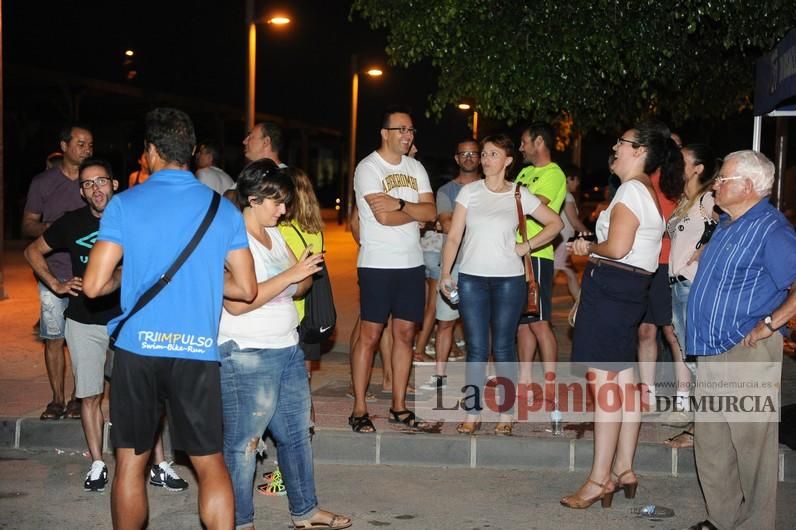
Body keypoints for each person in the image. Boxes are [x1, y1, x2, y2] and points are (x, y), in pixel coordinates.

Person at [83, 107, 257, 530]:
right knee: (210, 463)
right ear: (193, 152)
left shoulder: (124, 205)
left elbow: (92, 286)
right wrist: (204, 278)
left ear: (150, 152)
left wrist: (131, 275)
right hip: (196, 352)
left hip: (137, 351)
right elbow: (247, 288)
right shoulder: (223, 211)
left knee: (130, 463)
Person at [219, 160, 351, 530]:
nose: (284, 210)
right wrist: (291, 276)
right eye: (277, 202)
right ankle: (240, 521)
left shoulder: (275, 233)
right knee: (244, 446)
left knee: (296, 437)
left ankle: (305, 511)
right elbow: (236, 302)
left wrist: (295, 275)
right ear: (254, 199)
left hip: (287, 347)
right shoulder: (232, 238)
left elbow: (303, 283)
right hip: (247, 353)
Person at [563, 121, 682, 509]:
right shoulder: (644, 190)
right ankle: (624, 468)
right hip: (628, 290)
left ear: (640, 150)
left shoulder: (632, 189)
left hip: (614, 290)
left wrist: (586, 249)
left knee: (606, 390)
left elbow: (616, 247)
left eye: (621, 142)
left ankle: (599, 480)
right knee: (626, 385)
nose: (614, 146)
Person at [685, 150, 796, 530]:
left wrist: (770, 323)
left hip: (746, 350)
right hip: (713, 347)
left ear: (747, 186)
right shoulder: (729, 222)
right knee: (712, 443)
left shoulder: (772, 229)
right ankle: (721, 519)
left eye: (723, 179)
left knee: (752, 448)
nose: (716, 184)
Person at [440, 134, 562, 435]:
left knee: (504, 346)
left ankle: (507, 414)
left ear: (507, 161)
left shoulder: (519, 194)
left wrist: (525, 247)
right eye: (484, 154)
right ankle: (472, 412)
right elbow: (454, 236)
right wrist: (446, 273)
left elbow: (555, 224)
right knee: (477, 347)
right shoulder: (469, 193)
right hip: (471, 279)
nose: (485, 159)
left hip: (509, 279)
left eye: (492, 154)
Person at [24, 158, 120, 491]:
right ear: (81, 191)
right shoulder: (71, 223)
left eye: (101, 181)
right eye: (88, 184)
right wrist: (56, 284)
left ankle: (154, 462)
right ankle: (97, 462)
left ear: (115, 184)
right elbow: (33, 251)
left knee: (132, 394)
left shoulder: (131, 219)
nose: (96, 189)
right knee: (90, 396)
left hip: (126, 321)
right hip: (83, 321)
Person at [350, 105, 436, 433]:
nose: (407, 135)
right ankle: (360, 408)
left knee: (405, 335)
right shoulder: (368, 168)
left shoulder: (416, 167)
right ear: (384, 133)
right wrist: (415, 211)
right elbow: (382, 218)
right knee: (370, 336)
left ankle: (399, 406)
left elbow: (430, 213)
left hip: (411, 264)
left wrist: (401, 204)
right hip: (377, 264)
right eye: (401, 129)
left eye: (411, 130)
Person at [23, 124, 94, 421]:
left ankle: (81, 398)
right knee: (54, 337)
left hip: (88, 274)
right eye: (80, 143)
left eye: (90, 144)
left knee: (82, 338)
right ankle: (56, 399)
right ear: (64, 146)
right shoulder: (43, 183)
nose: (87, 149)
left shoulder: (93, 182)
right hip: (52, 272)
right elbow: (28, 225)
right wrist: (54, 231)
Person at [663, 144, 718, 444]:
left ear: (698, 168)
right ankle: (701, 420)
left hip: (692, 285)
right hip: (677, 284)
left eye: (682, 159)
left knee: (696, 355)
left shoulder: (707, 199)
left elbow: (726, 227)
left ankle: (704, 426)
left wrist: (700, 253)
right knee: (687, 351)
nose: (675, 163)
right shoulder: (685, 200)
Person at [419, 139, 481, 391]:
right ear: (456, 159)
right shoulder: (445, 191)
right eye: (463, 153)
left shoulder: (490, 188)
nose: (468, 157)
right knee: (444, 322)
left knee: (481, 323)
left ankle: (480, 376)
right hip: (453, 266)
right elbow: (446, 225)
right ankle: (440, 375)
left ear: (480, 158)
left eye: (473, 153)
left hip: (481, 264)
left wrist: (459, 218)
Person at [514, 123, 567, 402]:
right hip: (518, 253)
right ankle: (524, 380)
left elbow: (533, 207)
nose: (520, 147)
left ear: (538, 142)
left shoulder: (554, 174)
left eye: (524, 142)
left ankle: (550, 382)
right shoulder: (525, 172)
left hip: (537, 254)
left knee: (540, 321)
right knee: (524, 322)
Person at [637, 131, 685, 408]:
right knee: (645, 331)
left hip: (670, 264)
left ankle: (681, 396)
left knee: (671, 331)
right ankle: (648, 395)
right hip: (645, 264)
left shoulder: (681, 183)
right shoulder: (642, 181)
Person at [553, 167, 589, 302]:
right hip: (562, 242)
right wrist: (591, 235)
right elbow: (574, 222)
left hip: (563, 241)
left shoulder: (562, 195)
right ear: (569, 179)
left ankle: (580, 307)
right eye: (577, 180)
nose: (578, 183)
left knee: (571, 274)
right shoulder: (566, 196)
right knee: (552, 277)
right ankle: (538, 311)